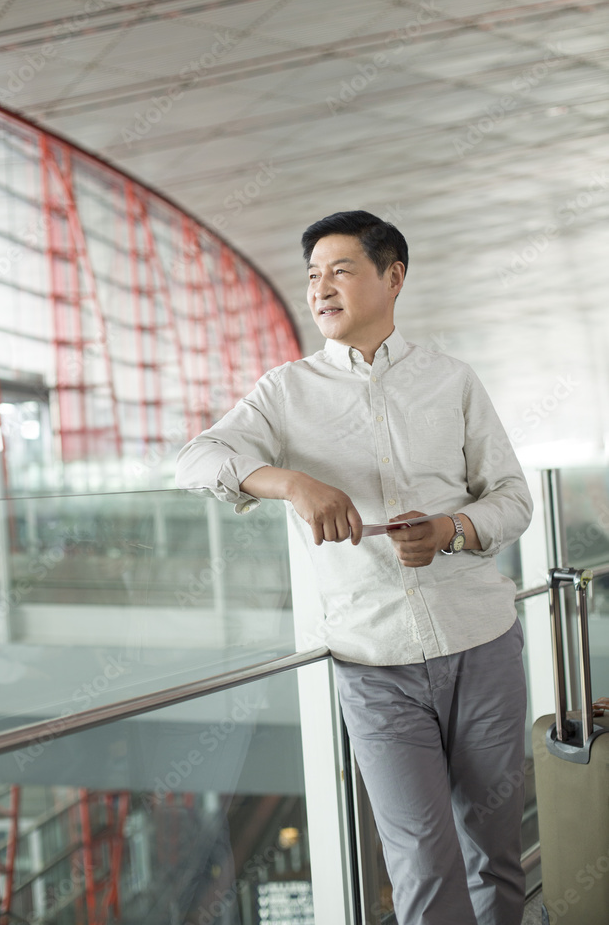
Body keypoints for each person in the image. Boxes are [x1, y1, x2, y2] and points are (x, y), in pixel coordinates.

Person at [176, 210, 533, 925]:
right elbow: (194, 461)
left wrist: (451, 529)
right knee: (421, 863)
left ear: (392, 277)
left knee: (494, 851)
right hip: (373, 664)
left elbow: (513, 499)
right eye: (311, 275)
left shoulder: (451, 380)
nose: (320, 287)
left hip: (481, 643)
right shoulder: (285, 391)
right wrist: (291, 484)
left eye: (339, 270)